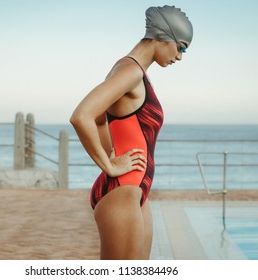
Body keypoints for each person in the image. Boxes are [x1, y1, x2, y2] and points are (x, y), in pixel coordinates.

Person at [70, 5, 193, 260]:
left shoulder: (132, 71)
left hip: (133, 191)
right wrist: (110, 167)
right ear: (162, 36)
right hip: (123, 191)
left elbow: (100, 120)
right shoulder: (131, 72)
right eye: (181, 47)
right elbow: (81, 116)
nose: (180, 57)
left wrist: (111, 155)